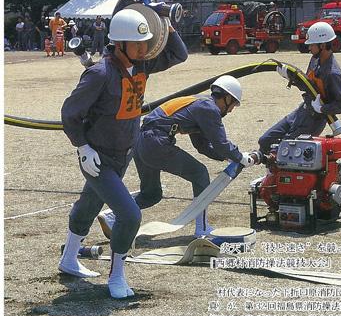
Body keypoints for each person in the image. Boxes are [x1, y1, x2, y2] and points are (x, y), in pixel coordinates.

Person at [59, 8, 188, 299]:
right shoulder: (99, 74)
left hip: (123, 153)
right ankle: (116, 277)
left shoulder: (141, 66)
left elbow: (179, 54)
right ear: (119, 44)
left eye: (146, 43)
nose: (145, 49)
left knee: (89, 206)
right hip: (97, 158)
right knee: (129, 215)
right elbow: (69, 113)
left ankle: (68, 259)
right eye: (138, 44)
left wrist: (164, 21)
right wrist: (82, 146)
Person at [98, 75, 257, 239]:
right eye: (233, 104)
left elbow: (202, 146)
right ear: (227, 97)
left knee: (151, 194)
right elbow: (221, 143)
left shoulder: (199, 103)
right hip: (156, 143)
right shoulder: (209, 109)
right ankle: (202, 228)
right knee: (200, 173)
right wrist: (240, 157)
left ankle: (111, 215)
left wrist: (228, 157)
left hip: (141, 142)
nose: (231, 110)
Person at [258, 21, 341, 154]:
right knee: (265, 141)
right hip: (301, 112)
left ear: (323, 45)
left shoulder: (332, 73)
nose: (309, 48)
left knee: (283, 151)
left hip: (313, 120)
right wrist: (290, 76)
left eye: (312, 45)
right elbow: (308, 85)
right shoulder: (315, 60)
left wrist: (322, 108)